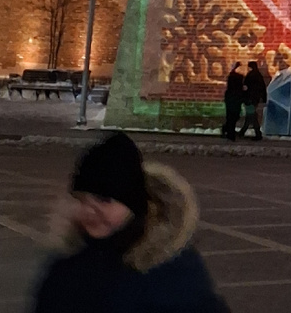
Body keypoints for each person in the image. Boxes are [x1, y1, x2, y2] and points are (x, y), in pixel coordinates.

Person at [31, 131, 228, 313]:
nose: (89, 211)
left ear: (133, 205)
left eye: (103, 200)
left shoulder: (172, 270)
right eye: (82, 199)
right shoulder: (68, 265)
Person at [239, 61, 267, 140]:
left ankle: (258, 134)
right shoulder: (259, 75)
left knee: (252, 116)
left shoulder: (250, 76)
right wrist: (264, 98)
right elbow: (262, 88)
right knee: (250, 115)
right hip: (255, 99)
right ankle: (243, 132)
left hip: (249, 99)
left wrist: (243, 97)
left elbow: (245, 87)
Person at [221, 64, 244, 141]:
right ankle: (230, 133)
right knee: (234, 117)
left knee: (231, 117)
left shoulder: (232, 80)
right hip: (235, 101)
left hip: (231, 101)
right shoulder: (238, 79)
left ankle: (228, 131)